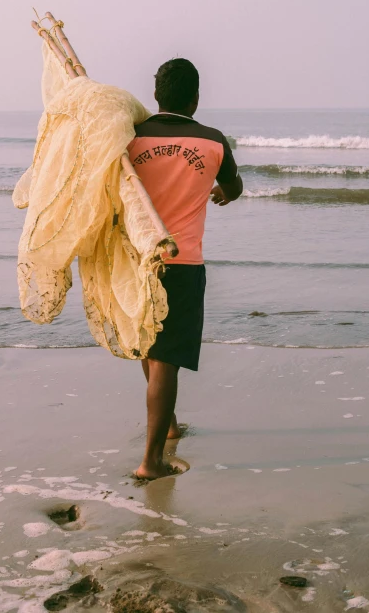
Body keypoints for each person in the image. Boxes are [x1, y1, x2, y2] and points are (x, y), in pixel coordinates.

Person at [127, 58, 243, 480]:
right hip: (181, 259)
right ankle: (150, 462)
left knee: (148, 345)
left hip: (136, 259)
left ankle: (169, 424)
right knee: (167, 358)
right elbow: (235, 186)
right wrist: (222, 192)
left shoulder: (129, 138)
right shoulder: (213, 142)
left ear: (155, 95)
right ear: (196, 98)